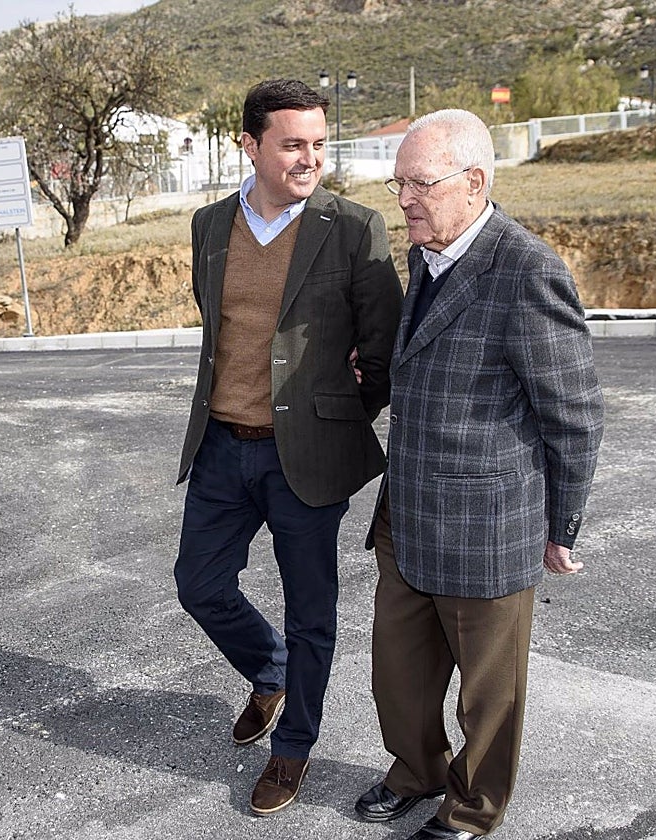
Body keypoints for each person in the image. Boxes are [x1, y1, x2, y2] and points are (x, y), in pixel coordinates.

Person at [354, 109, 605, 840]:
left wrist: (561, 527)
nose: (404, 199)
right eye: (398, 182)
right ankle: (417, 772)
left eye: (419, 183)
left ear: (474, 182)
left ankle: (473, 806)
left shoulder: (527, 270)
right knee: (397, 677)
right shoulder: (423, 257)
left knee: (488, 696)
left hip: (487, 526)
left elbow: (575, 416)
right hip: (408, 516)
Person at [174, 78, 403, 815]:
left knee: (313, 611)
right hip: (220, 444)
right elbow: (220, 329)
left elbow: (384, 348)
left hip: (305, 458)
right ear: (250, 144)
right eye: (293, 143)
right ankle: (269, 671)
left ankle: (292, 747)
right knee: (199, 584)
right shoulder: (210, 226)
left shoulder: (354, 227)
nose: (310, 157)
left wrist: (333, 414)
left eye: (318, 142)